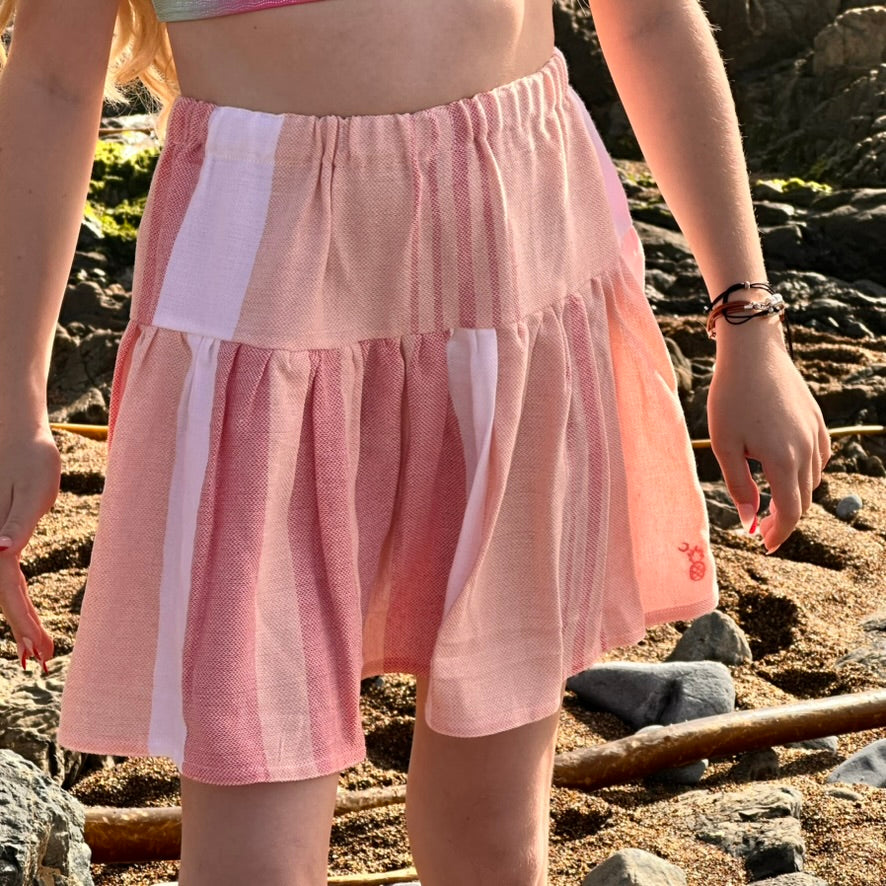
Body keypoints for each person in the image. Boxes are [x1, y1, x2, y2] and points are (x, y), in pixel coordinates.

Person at [0, 1, 830, 884]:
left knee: (492, 832)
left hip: (519, 261)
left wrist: (749, 322)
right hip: (264, 314)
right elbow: (50, 82)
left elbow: (652, 19)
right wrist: (14, 403)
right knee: (255, 845)